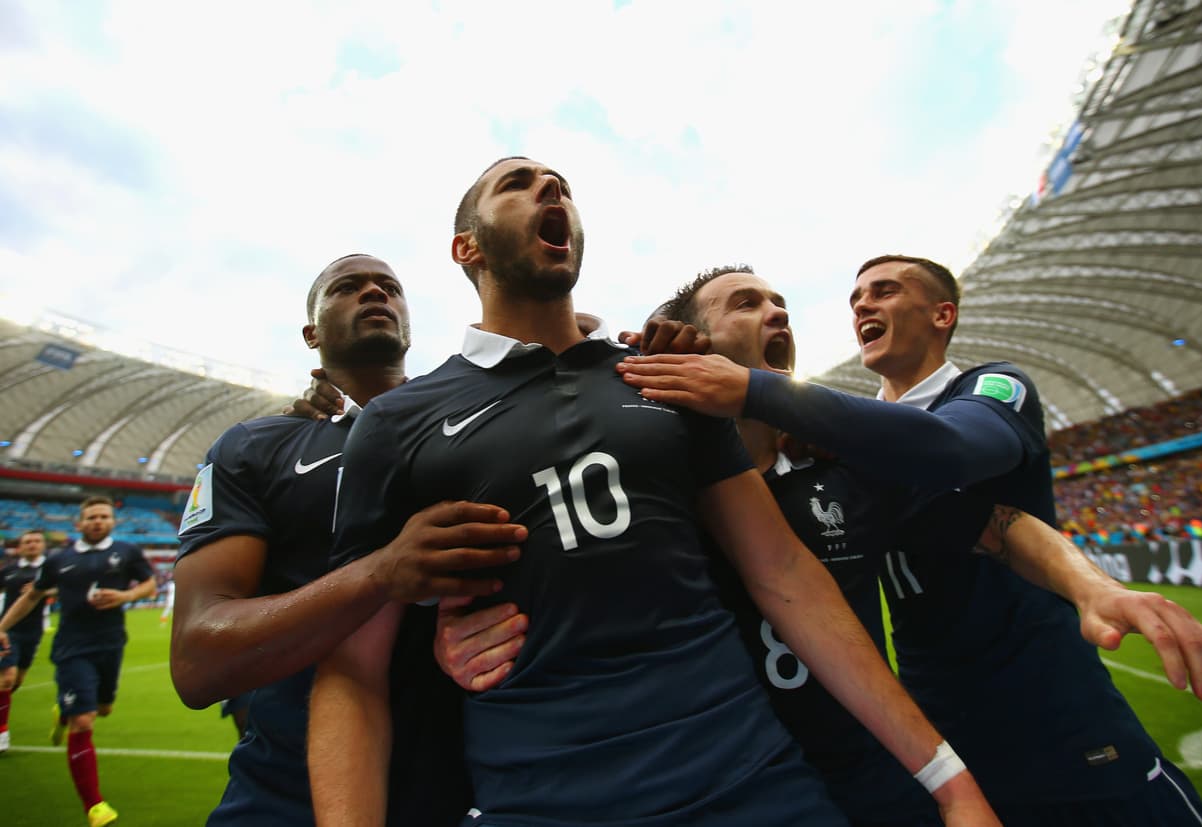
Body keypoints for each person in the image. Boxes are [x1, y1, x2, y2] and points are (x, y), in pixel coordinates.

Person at [309, 158, 999, 827]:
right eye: (516, 184)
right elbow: (354, 668)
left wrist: (950, 781)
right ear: (467, 246)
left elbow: (785, 574)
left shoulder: (665, 377)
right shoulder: (396, 423)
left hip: (750, 784)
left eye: (562, 186)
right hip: (537, 800)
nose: (551, 187)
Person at [616, 255, 1202, 825]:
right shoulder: (671, 476)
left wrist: (1094, 586)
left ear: (943, 314)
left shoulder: (957, 407)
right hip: (893, 737)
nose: (780, 311)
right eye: (747, 304)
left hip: (1044, 720)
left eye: (885, 290)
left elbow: (987, 510)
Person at [170, 253, 524, 826]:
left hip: (472, 789)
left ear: (408, 322)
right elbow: (197, 661)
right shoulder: (253, 449)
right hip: (286, 797)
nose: (374, 294)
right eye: (347, 288)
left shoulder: (475, 425)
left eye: (389, 287)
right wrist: (380, 574)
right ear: (311, 334)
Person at [0, 497, 156, 827]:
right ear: (78, 524)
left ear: (113, 522)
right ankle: (95, 806)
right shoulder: (59, 560)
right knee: (84, 722)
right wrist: (1, 628)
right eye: (91, 517)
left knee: (103, 709)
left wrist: (126, 597)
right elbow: (31, 596)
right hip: (72, 648)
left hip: (111, 644)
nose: (98, 521)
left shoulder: (128, 552)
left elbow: (150, 585)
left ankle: (64, 709)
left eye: (103, 516)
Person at [0, 529, 50, 753]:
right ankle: (2, 733)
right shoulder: (8, 571)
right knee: (6, 679)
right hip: (7, 631)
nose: (32, 545)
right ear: (20, 547)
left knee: (17, 681)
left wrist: (45, 590)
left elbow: (70, 589)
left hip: (33, 632)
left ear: (43, 545)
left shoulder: (51, 570)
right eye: (27, 541)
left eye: (36, 541)